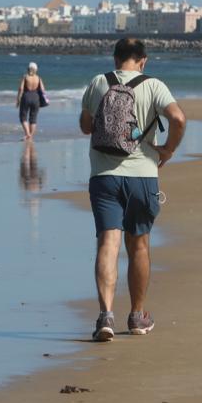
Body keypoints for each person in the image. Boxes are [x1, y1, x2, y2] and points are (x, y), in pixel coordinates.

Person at [80, 38, 187, 341]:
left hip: (104, 176)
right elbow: (178, 118)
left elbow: (86, 127)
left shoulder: (99, 82)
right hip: (143, 176)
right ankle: (137, 317)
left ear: (115, 59)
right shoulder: (154, 85)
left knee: (107, 244)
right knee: (138, 245)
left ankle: (105, 316)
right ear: (143, 61)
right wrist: (167, 150)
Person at [17, 62, 47, 141]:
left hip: (26, 97)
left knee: (23, 116)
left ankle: (27, 134)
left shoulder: (25, 77)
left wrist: (18, 99)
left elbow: (21, 89)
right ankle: (31, 136)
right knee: (33, 118)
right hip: (35, 98)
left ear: (28, 69)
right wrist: (44, 99)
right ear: (36, 70)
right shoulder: (38, 78)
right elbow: (43, 90)